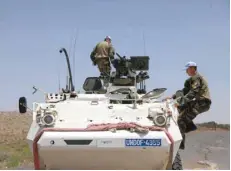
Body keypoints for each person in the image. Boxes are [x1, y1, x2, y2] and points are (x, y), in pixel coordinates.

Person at [163, 61, 212, 149]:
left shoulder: (196, 78)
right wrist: (172, 97)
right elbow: (184, 91)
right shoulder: (191, 80)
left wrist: (179, 102)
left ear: (193, 68)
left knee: (181, 120)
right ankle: (189, 126)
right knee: (181, 110)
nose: (186, 71)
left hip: (202, 103)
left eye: (187, 69)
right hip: (199, 102)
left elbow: (193, 92)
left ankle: (179, 146)